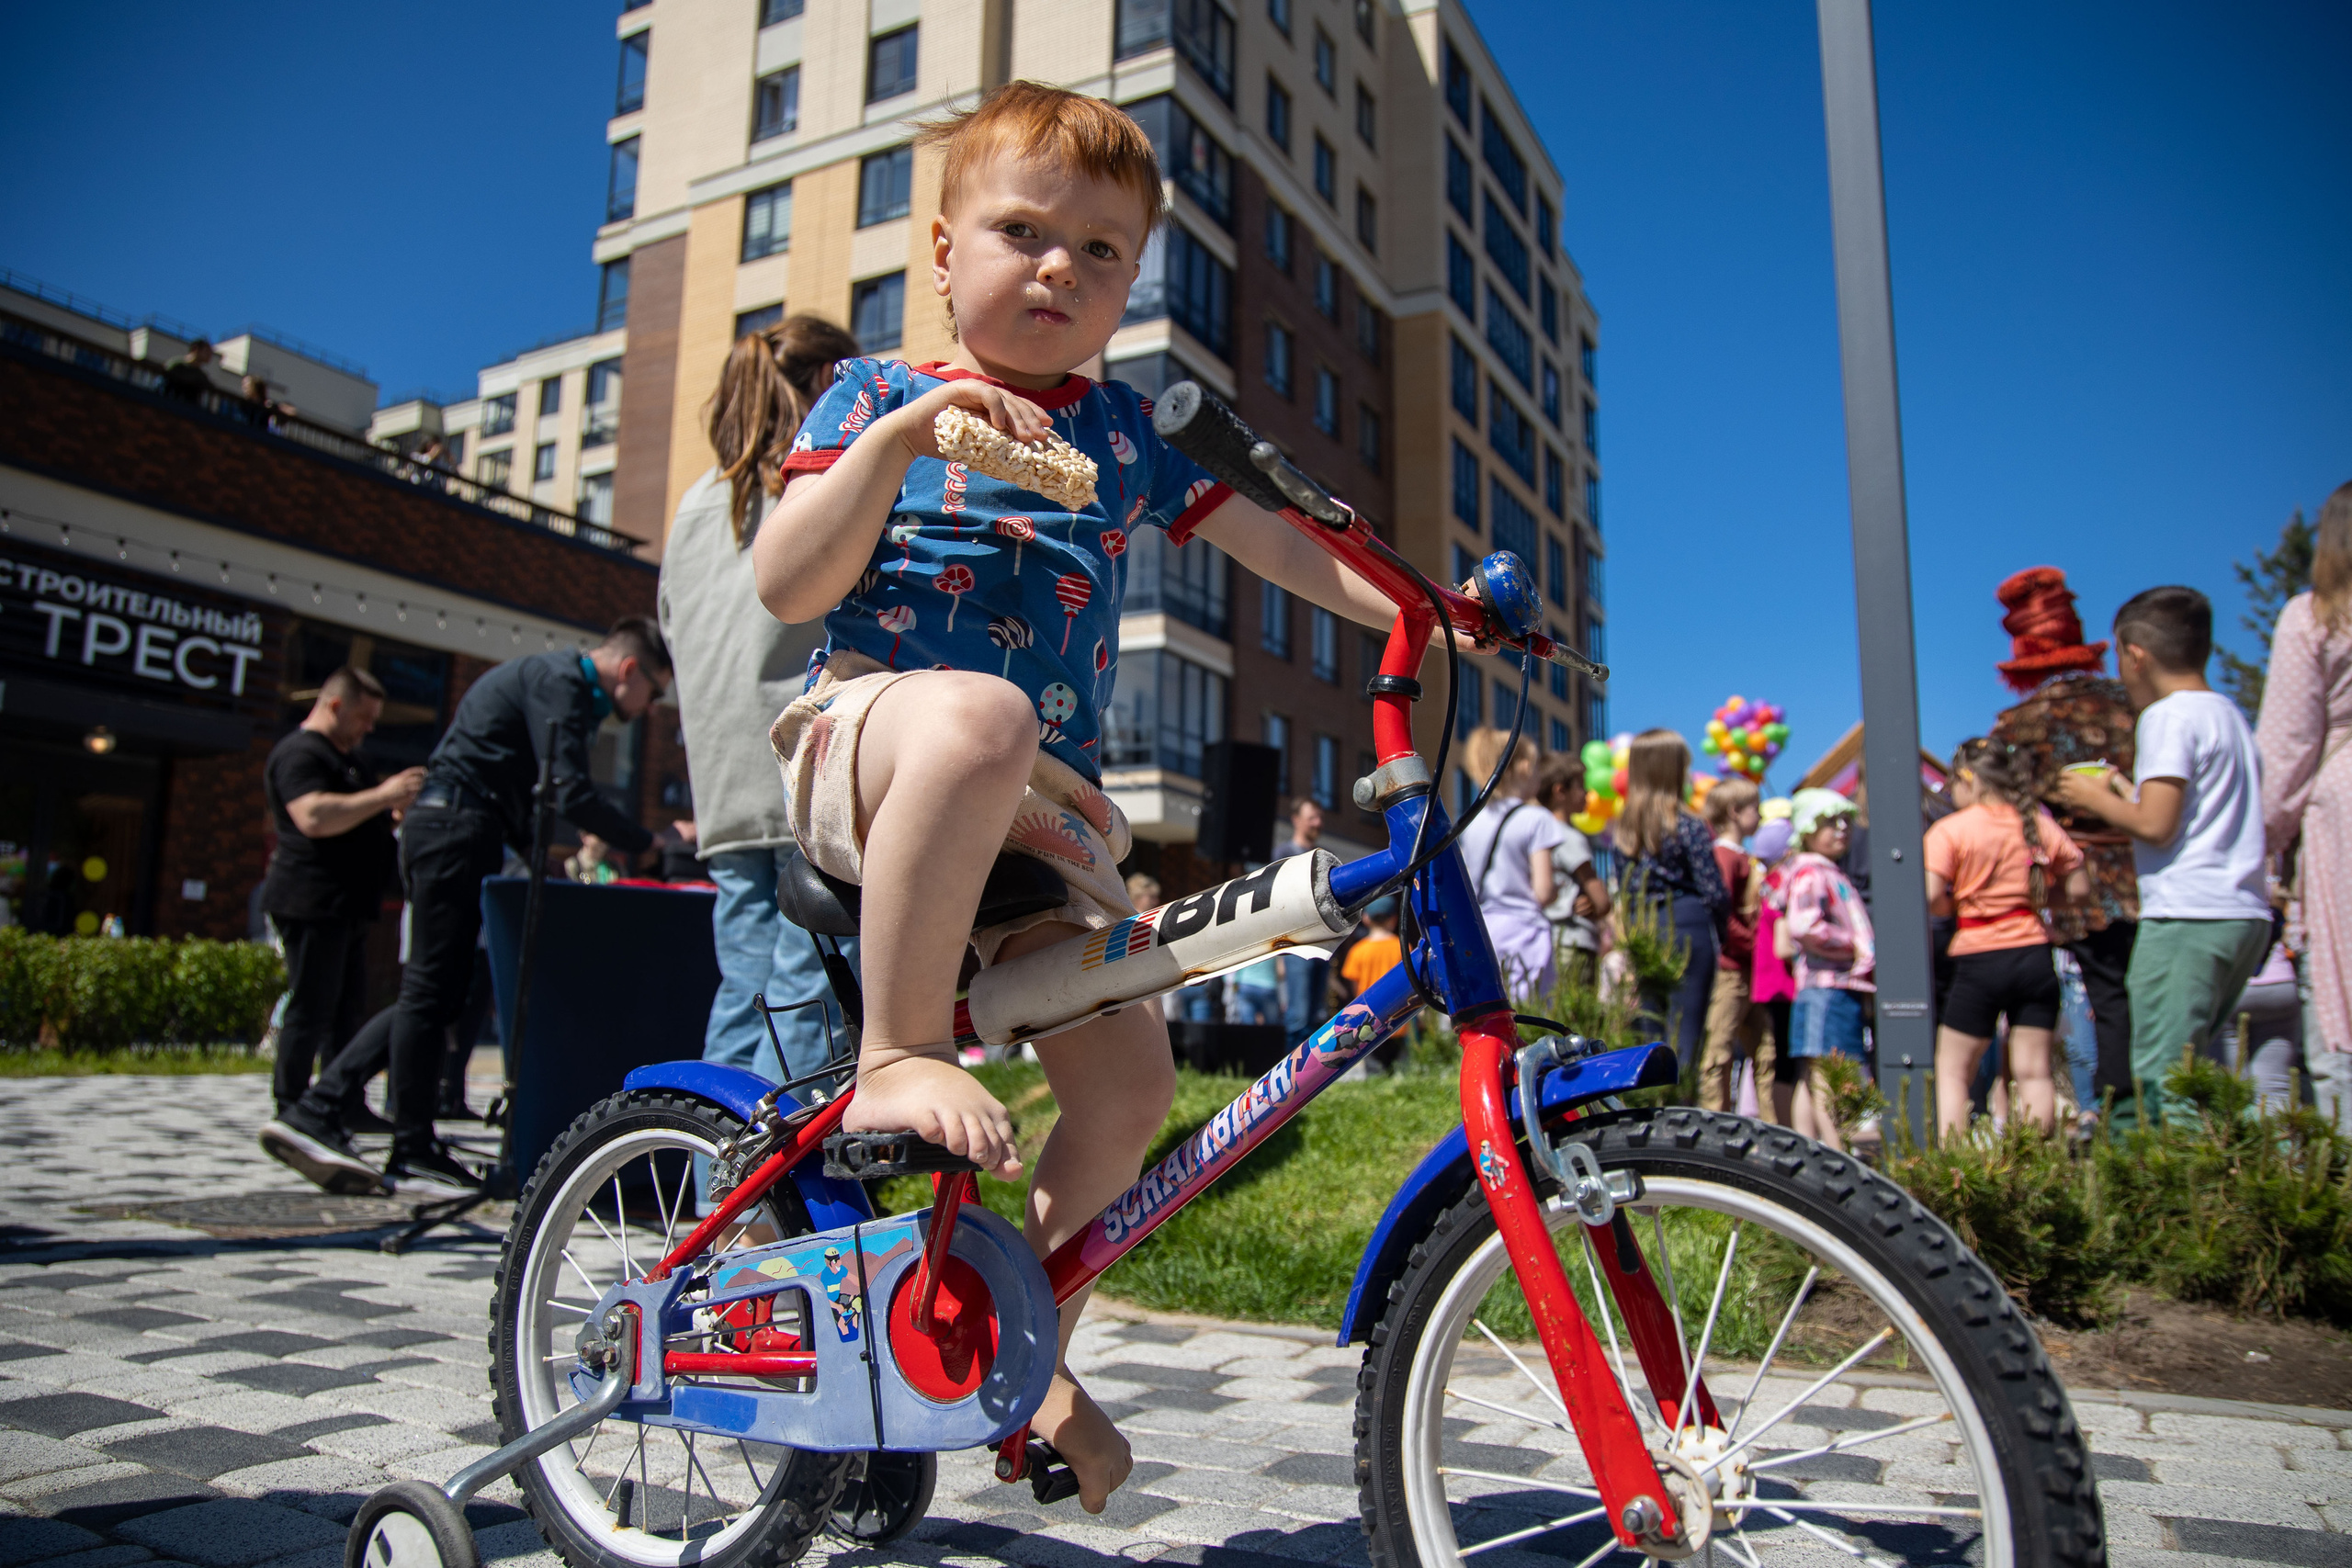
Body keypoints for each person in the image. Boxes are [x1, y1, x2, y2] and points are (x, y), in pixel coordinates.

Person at [750, 81, 1397, 1516]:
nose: (1060, 266)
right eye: (1024, 231)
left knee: (1132, 1086)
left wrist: (1414, 608)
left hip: (1037, 818)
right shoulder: (875, 393)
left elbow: (1283, 549)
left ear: (1132, 284)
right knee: (976, 713)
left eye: (1102, 251)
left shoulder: (1123, 434)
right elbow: (787, 583)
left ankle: (1019, 1348)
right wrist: (900, 442)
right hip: (870, 741)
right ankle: (897, 1045)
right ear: (941, 251)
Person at [278, 620, 670, 1196]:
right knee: (431, 988)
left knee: (442, 989)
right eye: (654, 693)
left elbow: (531, 797)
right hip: (453, 827)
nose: (649, 709)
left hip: (460, 828)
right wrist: (648, 843)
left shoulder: (557, 684)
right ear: (631, 670)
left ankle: (381, 1125)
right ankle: (344, 1115)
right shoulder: (559, 681)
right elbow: (567, 789)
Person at [660, 316, 865, 1081]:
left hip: (722, 780)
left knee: (745, 986)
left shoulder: (693, 505)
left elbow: (671, 626)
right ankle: (780, 1188)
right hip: (804, 762)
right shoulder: (822, 479)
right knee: (811, 986)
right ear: (824, 384)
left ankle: (714, 1157)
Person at [2058, 586, 2270, 1129]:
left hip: (2185, 915)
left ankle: (2178, 1208)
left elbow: (2156, 824)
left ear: (2135, 654)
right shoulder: (2229, 715)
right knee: (2199, 1070)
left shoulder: (2166, 717)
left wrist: (2094, 799)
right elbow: (2192, 815)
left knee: (2162, 1079)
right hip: (2241, 913)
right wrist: (2127, 788)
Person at [254, 668, 424, 1192]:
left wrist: (389, 811)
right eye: (363, 718)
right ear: (334, 705)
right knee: (312, 1004)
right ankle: (292, 1107)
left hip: (347, 904)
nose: (368, 730)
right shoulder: (301, 754)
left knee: (348, 1007)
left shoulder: (349, 760)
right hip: (310, 900)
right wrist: (382, 796)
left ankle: (341, 1103)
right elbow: (313, 817)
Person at [1988, 566, 2142, 1111]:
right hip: (2153, 867)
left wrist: (2037, 881)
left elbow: (2017, 816)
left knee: (2097, 1002)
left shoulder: (2020, 722)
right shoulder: (2132, 704)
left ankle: (2117, 1117)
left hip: (2077, 885)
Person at [1924, 739, 2090, 1137]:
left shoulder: (1951, 830)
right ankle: (2034, 1168)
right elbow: (2080, 889)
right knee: (2034, 1073)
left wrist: (1955, 909)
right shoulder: (2036, 823)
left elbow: (1932, 895)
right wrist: (2035, 900)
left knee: (1953, 1070)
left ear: (1968, 780)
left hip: (1979, 956)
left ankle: (1957, 1171)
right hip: (2034, 955)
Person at [2255, 481, 2352, 1131]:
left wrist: (2264, 848)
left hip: (2341, 808)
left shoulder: (2315, 617)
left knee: (2338, 1041)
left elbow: (2287, 751)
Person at [1614, 728, 1728, 1069]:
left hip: (1645, 926)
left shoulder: (1623, 833)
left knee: (1651, 1028)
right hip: (1688, 924)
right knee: (1686, 1032)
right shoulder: (1689, 826)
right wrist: (1721, 930)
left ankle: (1653, 1105)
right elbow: (1715, 891)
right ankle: (1682, 1106)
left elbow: (1625, 889)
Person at [1774, 789, 1874, 1152]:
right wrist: (1854, 943)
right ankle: (1836, 1151)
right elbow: (1804, 926)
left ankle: (1812, 1148)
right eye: (1830, 823)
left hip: (1821, 987)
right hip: (1826, 987)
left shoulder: (1821, 870)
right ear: (1808, 830)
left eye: (1845, 821)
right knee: (1827, 1075)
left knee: (1812, 1072)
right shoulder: (1813, 872)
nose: (1842, 829)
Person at [1454, 727, 1568, 998]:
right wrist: (1558, 891)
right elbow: (1542, 892)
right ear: (1525, 767)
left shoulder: (1471, 822)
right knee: (1530, 1022)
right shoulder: (1536, 819)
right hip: (1525, 933)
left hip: (1483, 932)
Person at [1696, 777, 1769, 1114]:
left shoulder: (1743, 856)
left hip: (1751, 969)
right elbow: (1722, 913)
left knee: (1767, 1051)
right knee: (1719, 1051)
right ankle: (1715, 1118)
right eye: (1756, 808)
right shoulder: (1725, 856)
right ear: (1736, 812)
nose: (1761, 815)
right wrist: (1754, 943)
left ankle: (1773, 1123)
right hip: (1731, 968)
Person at [1531, 753, 1610, 987]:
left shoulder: (1533, 831)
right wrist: (1597, 904)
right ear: (1560, 791)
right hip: (1575, 941)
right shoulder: (1568, 837)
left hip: (1543, 942)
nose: (1587, 794)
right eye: (1581, 787)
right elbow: (1602, 901)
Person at [1749, 813, 1798, 1123]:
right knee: (1787, 1060)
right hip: (1784, 982)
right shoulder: (1782, 883)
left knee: (1782, 1055)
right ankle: (1790, 1126)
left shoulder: (1764, 884)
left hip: (1769, 981)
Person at [1272, 799, 1329, 1044]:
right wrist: (1280, 954)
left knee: (1316, 1013)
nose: (1317, 823)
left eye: (1319, 817)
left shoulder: (1323, 856)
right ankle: (1293, 1073)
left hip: (1322, 943)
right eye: (1311, 818)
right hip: (1295, 945)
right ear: (1296, 819)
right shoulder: (1283, 854)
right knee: (1299, 1015)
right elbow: (1275, 905)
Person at [1340, 894, 1404, 997]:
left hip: (1367, 1009)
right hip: (1397, 1008)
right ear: (1394, 919)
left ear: (1366, 918)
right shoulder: (1402, 947)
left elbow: (1354, 988)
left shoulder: (1357, 950)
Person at [161, 338, 215, 404]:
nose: (209, 355)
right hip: (169, 400)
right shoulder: (177, 364)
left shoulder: (201, 375)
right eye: (206, 351)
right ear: (195, 349)